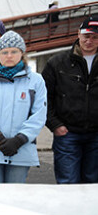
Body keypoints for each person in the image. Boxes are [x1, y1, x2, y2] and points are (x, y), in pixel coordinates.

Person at [0, 31, 47, 183]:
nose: (9, 56)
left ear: (22, 53)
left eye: (14, 51)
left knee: (14, 197)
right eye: (4, 52)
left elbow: (39, 114)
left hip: (21, 150)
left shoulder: (36, 81)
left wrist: (19, 140)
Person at [42, 16, 98, 184]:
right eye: (86, 36)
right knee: (68, 184)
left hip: (96, 136)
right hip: (67, 135)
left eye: (95, 37)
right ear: (78, 34)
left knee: (93, 184)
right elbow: (44, 98)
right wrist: (55, 125)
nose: (89, 41)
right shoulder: (57, 63)